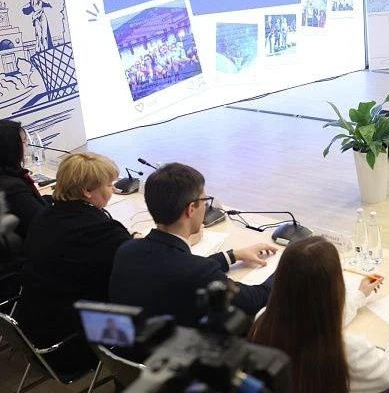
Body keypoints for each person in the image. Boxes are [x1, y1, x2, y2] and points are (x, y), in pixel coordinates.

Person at [109, 163, 277, 328]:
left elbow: (176, 265)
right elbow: (254, 300)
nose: (205, 206)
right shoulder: (198, 272)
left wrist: (233, 255)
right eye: (205, 201)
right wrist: (284, 268)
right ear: (191, 209)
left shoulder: (127, 250)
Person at [249, 236, 389, 393]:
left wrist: (359, 295)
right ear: (334, 286)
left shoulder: (263, 319)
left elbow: (314, 316)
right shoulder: (347, 349)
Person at [17, 152, 133, 373]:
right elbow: (139, 265)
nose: (113, 190)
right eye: (109, 185)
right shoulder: (100, 231)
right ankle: (128, 378)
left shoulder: (44, 216)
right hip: (68, 344)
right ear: (87, 191)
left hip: (32, 328)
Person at [0, 119, 49, 241]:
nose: (27, 144)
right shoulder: (13, 189)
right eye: (23, 141)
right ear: (11, 148)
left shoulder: (9, 178)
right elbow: (43, 222)